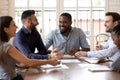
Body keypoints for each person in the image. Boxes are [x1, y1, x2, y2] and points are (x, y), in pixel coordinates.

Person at [0, 16, 60, 80]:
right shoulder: (6, 46)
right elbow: (28, 62)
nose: (17, 27)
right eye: (13, 25)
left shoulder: (3, 44)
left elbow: (21, 63)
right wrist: (49, 61)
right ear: (5, 29)